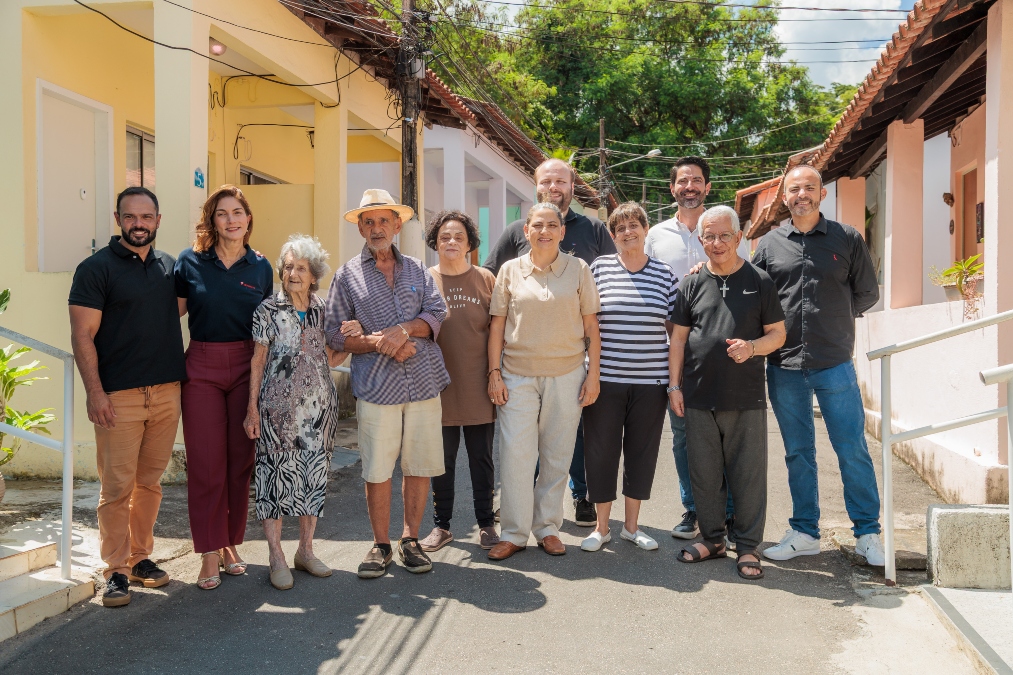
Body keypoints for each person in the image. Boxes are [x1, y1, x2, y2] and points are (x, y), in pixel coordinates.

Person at [753, 165, 885, 566]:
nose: (802, 194)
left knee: (852, 448)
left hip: (834, 362)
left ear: (821, 194)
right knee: (798, 452)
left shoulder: (846, 238)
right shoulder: (768, 244)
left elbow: (866, 293)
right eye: (794, 189)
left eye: (809, 187)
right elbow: (754, 296)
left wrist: (835, 321)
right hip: (784, 363)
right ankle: (805, 532)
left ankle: (868, 533)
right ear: (786, 198)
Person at [69, 187, 186, 607]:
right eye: (131, 216)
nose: (139, 224)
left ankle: (140, 559)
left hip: (168, 392)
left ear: (158, 219)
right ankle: (115, 571)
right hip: (118, 396)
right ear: (118, 219)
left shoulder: (170, 266)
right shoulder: (95, 268)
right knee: (117, 487)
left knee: (150, 483)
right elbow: (82, 334)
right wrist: (95, 393)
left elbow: (169, 315)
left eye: (147, 216)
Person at [324, 189, 449, 579]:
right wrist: (380, 342)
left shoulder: (416, 269)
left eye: (384, 221)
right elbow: (335, 335)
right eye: (368, 221)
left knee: (419, 464)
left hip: (424, 383)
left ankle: (410, 540)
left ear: (397, 225)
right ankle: (380, 544)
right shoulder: (346, 276)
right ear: (360, 228)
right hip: (377, 387)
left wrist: (403, 330)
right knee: (377, 468)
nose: (377, 228)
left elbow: (437, 313)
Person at [484, 158, 615, 528]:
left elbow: (595, 316)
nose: (545, 231)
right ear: (526, 230)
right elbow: (493, 307)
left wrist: (593, 374)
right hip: (518, 372)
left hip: (568, 370)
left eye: (561, 180)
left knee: (560, 454)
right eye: (547, 181)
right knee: (517, 455)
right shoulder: (512, 254)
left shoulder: (588, 242)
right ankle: (514, 527)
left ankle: (549, 525)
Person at [669, 205, 785, 579]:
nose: (716, 243)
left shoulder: (760, 280)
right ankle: (714, 539)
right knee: (703, 472)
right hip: (699, 393)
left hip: (745, 395)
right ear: (700, 240)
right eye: (709, 237)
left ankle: (749, 547)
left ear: (738, 238)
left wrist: (752, 347)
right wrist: (674, 385)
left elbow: (777, 334)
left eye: (724, 236)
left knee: (747, 474)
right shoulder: (690, 282)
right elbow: (678, 339)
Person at [174, 185, 273, 590]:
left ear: (248, 218)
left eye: (238, 212)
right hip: (201, 365)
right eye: (222, 214)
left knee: (239, 462)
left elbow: (270, 330)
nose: (231, 220)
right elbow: (167, 316)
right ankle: (209, 552)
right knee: (205, 463)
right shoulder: (190, 261)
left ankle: (231, 542)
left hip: (248, 367)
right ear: (212, 221)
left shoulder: (261, 266)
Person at [644, 156, 742, 540]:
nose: (689, 187)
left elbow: (739, 273)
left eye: (697, 181)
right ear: (672, 189)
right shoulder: (655, 235)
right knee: (683, 435)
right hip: (672, 350)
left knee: (725, 435)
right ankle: (693, 509)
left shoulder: (722, 228)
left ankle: (729, 512)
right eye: (683, 181)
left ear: (707, 187)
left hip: (719, 348)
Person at [244, 235, 344, 590]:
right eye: (288, 267)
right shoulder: (267, 310)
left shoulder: (322, 309)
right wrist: (251, 410)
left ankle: (305, 550)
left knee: (312, 477)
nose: (293, 274)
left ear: (314, 274)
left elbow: (331, 352)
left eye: (301, 268)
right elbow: (257, 361)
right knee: (273, 480)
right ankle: (276, 556)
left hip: (319, 412)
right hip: (276, 413)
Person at [580, 203, 676, 553]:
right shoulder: (599, 269)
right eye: (620, 228)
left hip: (651, 382)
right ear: (612, 235)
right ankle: (602, 528)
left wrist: (675, 382)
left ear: (646, 229)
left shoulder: (665, 274)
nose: (627, 232)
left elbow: (675, 331)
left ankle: (632, 527)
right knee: (601, 451)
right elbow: (587, 323)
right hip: (604, 380)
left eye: (634, 225)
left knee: (641, 453)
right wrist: (590, 373)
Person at [419, 211, 499, 553]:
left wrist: (496, 374)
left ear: (470, 244)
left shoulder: (486, 279)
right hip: (438, 387)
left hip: (480, 384)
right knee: (442, 460)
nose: (451, 242)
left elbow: (500, 331)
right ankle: (442, 526)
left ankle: (486, 525)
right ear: (436, 243)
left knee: (481, 458)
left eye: (458, 237)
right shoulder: (424, 280)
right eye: (444, 237)